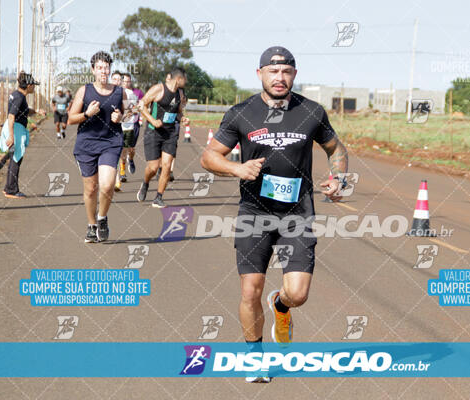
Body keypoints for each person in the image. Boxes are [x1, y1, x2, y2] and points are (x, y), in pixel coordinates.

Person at [200, 46, 348, 383]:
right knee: (249, 291)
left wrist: (338, 177)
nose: (279, 78)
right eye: (273, 71)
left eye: (286, 72)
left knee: (298, 294)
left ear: (294, 75)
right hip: (254, 211)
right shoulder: (241, 113)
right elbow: (209, 157)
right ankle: (255, 357)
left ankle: (280, 305)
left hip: (298, 212)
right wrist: (236, 169)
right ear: (260, 74)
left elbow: (335, 148)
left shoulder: (312, 112)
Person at [68, 51, 125, 243]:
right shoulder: (84, 91)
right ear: (93, 70)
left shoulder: (118, 91)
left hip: (111, 142)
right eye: (100, 67)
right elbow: (70, 119)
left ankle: (102, 218)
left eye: (106, 67)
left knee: (108, 184)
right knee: (91, 189)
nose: (104, 71)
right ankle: (91, 225)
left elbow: (123, 114)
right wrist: (87, 113)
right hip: (86, 144)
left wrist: (120, 118)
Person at [136, 67, 187, 208]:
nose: (186, 81)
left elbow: (178, 112)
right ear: (179, 79)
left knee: (166, 166)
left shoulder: (180, 93)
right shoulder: (159, 89)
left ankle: (158, 197)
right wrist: (152, 121)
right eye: (185, 78)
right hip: (153, 132)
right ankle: (145, 183)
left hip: (170, 134)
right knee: (152, 168)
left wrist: (183, 119)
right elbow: (142, 105)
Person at [2, 72, 45, 199]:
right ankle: (11, 190)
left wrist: (36, 111)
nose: (34, 87)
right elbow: (11, 116)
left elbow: (24, 111)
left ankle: (8, 188)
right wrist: (11, 136)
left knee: (14, 158)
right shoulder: (19, 97)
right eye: (33, 85)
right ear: (29, 85)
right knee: (16, 158)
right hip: (15, 130)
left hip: (14, 129)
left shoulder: (17, 95)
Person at [114, 73, 140, 191]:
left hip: (128, 126)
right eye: (123, 81)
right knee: (116, 152)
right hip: (116, 127)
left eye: (128, 81)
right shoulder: (113, 93)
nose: (125, 83)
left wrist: (128, 113)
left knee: (127, 151)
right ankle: (118, 179)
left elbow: (135, 110)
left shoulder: (131, 95)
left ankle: (128, 161)